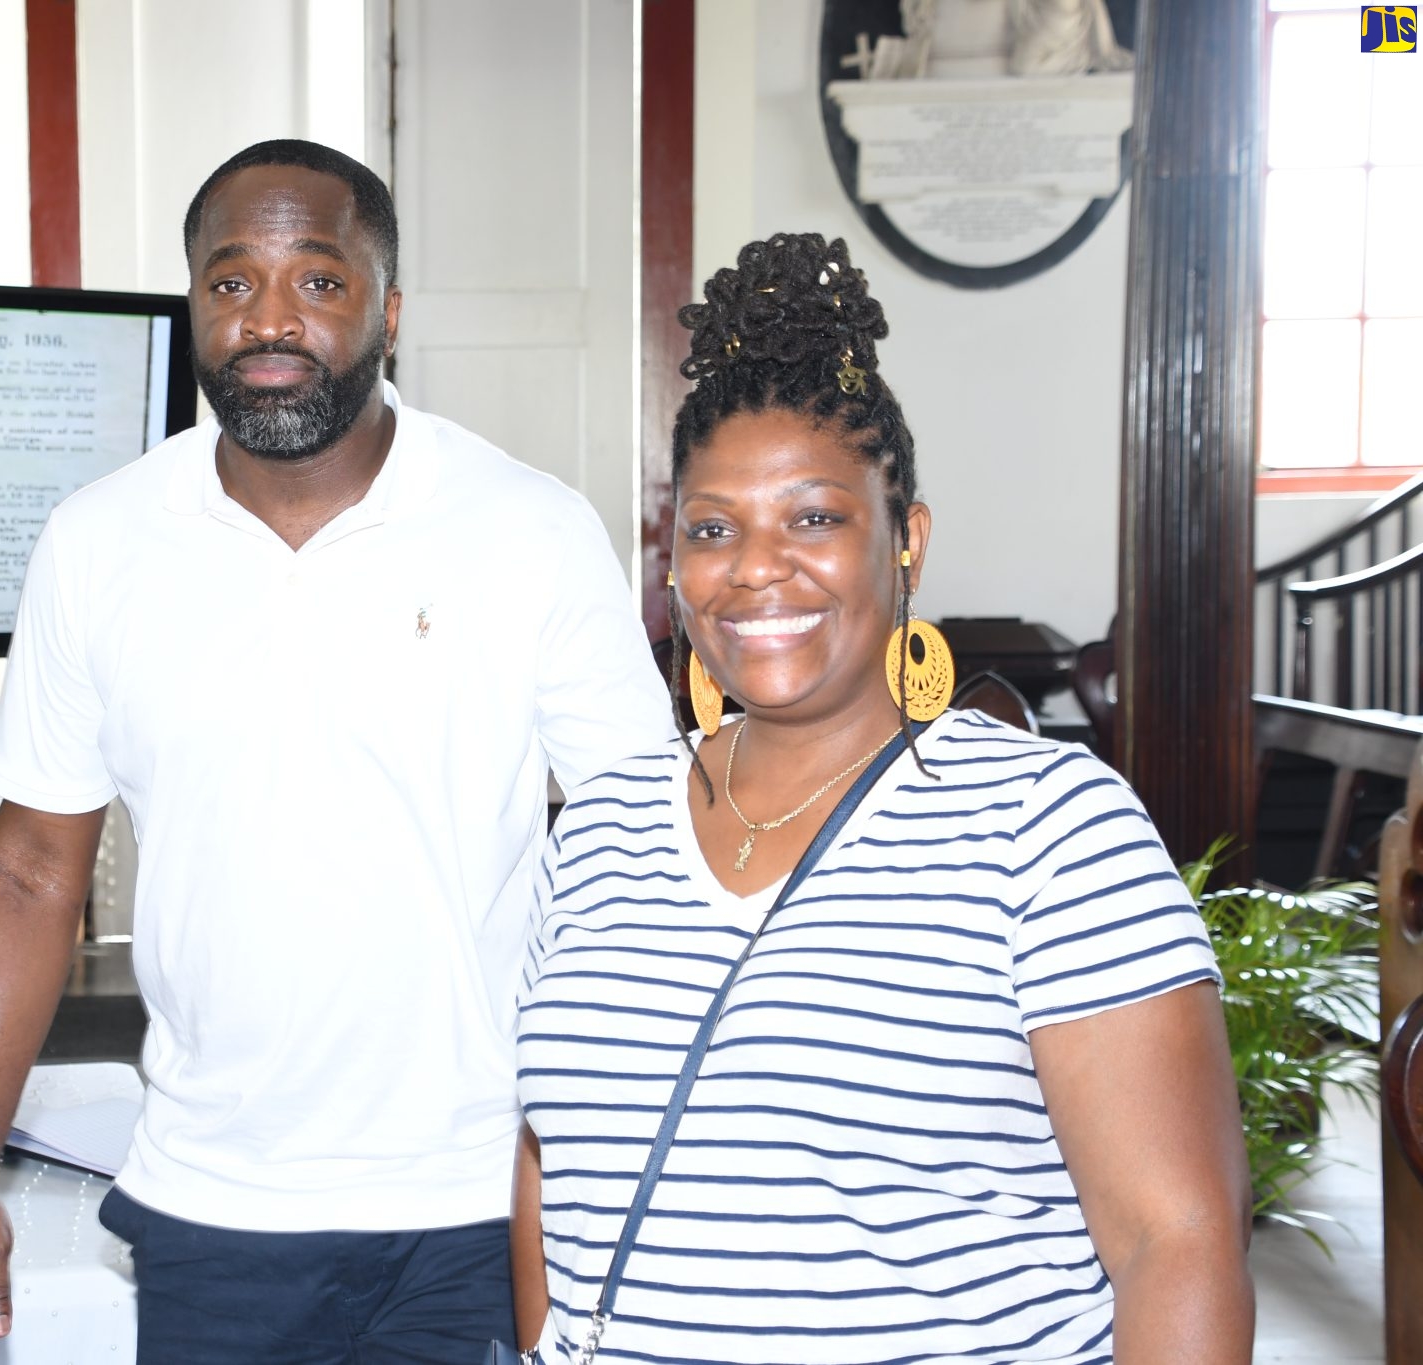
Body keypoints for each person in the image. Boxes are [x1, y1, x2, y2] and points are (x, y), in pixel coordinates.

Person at [0, 139, 674, 1364]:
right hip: (215, 1205)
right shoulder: (99, 542)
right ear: (191, 306)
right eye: (228, 282)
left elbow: (648, 851)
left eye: (316, 281)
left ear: (387, 310)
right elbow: (31, 870)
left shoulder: (527, 528)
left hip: (479, 1197)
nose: (268, 319)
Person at [510, 233, 1253, 1363]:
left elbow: (1175, 1242)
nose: (756, 568)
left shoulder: (1048, 831)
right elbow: (547, 1164)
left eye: (813, 518)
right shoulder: (600, 833)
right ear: (671, 563)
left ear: (904, 539)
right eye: (712, 528)